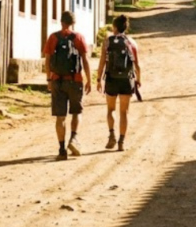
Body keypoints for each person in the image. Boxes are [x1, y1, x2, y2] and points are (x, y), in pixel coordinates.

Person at [44, 10, 92, 161]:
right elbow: (85, 60)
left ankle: (61, 149)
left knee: (60, 117)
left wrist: (49, 80)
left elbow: (47, 60)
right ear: (73, 23)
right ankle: (73, 139)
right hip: (75, 80)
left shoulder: (53, 37)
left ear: (61, 22)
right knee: (76, 112)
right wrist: (89, 79)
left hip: (57, 80)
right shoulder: (78, 37)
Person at [95, 14, 141, 152]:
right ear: (126, 27)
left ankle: (112, 134)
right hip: (126, 80)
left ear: (114, 27)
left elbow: (102, 62)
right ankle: (121, 141)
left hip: (111, 79)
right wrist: (138, 79)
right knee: (124, 112)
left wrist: (98, 79)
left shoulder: (107, 42)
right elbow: (137, 66)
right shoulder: (132, 42)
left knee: (111, 109)